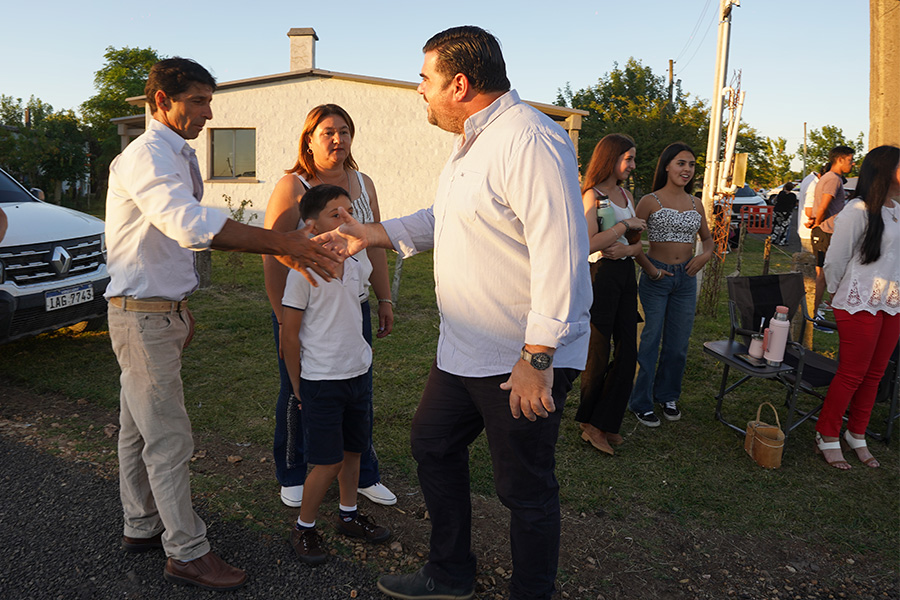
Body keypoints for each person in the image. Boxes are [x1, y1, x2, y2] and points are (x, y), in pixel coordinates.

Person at [317, 25, 590, 600]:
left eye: (425, 78)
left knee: (525, 488)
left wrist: (537, 356)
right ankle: (450, 572)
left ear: (460, 83)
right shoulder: (471, 144)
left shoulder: (529, 139)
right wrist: (370, 233)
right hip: (463, 351)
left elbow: (561, 251)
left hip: (519, 357)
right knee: (433, 445)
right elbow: (442, 219)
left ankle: (531, 592)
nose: (419, 90)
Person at [104, 57, 341, 592]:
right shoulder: (147, 156)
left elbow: (164, 244)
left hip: (152, 313)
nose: (208, 113)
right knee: (168, 438)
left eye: (210, 101)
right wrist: (283, 242)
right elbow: (188, 226)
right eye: (197, 101)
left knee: (137, 429)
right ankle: (186, 551)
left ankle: (140, 524)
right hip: (140, 317)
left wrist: (178, 309)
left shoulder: (172, 154)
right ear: (161, 101)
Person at [263, 104, 396, 509]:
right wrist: (283, 313)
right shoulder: (293, 185)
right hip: (304, 309)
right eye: (327, 132)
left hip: (353, 308)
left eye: (344, 131)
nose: (338, 139)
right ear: (309, 139)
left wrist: (385, 297)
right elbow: (271, 252)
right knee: (299, 391)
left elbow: (373, 244)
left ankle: (363, 475)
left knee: (358, 389)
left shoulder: (363, 182)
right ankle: (294, 471)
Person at [281, 184, 391, 563]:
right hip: (321, 381)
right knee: (326, 461)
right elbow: (290, 335)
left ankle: (348, 514)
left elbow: (353, 312)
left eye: (349, 213)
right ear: (311, 226)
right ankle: (304, 527)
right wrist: (297, 385)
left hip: (357, 374)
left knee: (353, 451)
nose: (346, 221)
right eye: (336, 214)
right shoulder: (303, 272)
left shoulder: (359, 262)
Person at [814, 145, 900, 470]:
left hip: (891, 303)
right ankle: (827, 434)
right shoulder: (857, 209)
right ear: (885, 169)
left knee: (876, 374)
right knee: (853, 373)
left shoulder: (897, 210)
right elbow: (835, 260)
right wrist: (836, 294)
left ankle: (857, 434)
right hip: (856, 301)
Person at [628, 142, 713, 427]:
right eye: (680, 163)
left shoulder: (696, 203)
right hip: (657, 278)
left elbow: (709, 240)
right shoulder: (650, 201)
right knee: (649, 341)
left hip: (686, 280)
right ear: (666, 165)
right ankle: (641, 401)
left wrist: (704, 257)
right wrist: (651, 271)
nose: (686, 169)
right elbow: (633, 243)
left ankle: (667, 395)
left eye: (690, 165)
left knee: (677, 344)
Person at [575, 134, 646, 455]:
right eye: (628, 158)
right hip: (600, 276)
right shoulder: (594, 196)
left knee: (629, 351)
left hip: (625, 274)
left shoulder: (625, 194)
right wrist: (622, 227)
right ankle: (589, 424)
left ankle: (606, 420)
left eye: (633, 159)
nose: (632, 165)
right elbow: (589, 244)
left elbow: (636, 245)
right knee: (598, 352)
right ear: (611, 158)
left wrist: (629, 247)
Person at [810, 146, 855, 317]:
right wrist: (818, 223)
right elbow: (823, 206)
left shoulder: (832, 178)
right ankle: (813, 312)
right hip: (826, 231)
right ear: (840, 159)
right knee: (822, 273)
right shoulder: (833, 179)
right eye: (850, 160)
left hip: (825, 229)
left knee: (826, 271)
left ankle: (827, 305)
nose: (852, 164)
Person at [796, 166, 824, 252]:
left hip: (806, 231)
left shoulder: (809, 178)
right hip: (811, 233)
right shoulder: (814, 185)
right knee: (810, 262)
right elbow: (809, 211)